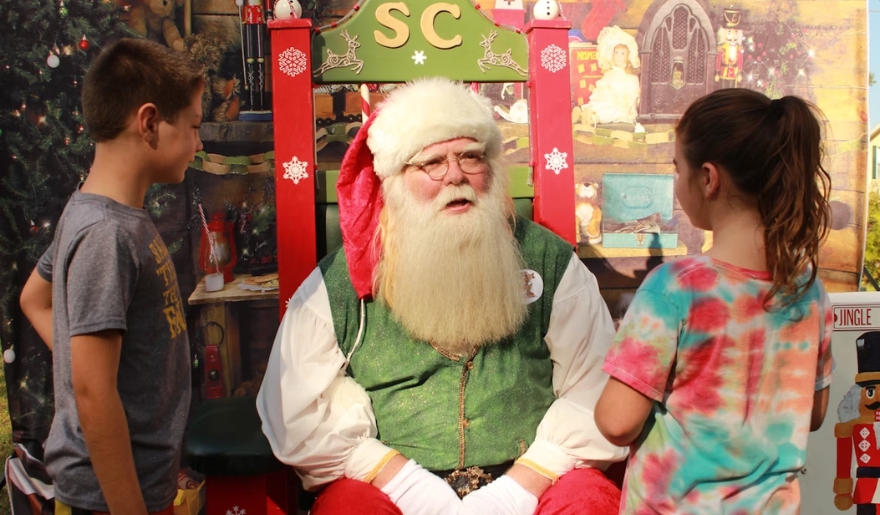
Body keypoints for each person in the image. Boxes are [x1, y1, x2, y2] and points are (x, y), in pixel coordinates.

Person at [257, 77, 627, 515]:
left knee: (589, 502)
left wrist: (520, 488)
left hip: (534, 481)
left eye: (471, 157)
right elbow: (293, 407)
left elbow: (596, 393)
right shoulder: (342, 282)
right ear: (395, 181)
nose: (455, 175)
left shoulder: (550, 263)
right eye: (431, 162)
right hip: (389, 488)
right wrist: (403, 483)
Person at [594, 88, 834, 514]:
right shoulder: (810, 291)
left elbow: (616, 422)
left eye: (677, 168)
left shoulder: (674, 288)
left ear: (708, 177)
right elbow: (812, 414)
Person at [18, 38, 203, 515]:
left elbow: (34, 300)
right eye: (193, 127)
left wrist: (90, 367)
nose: (199, 144)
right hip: (114, 499)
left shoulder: (103, 216)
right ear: (148, 123)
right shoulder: (106, 234)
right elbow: (92, 392)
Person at [583, 26, 641, 126]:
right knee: (598, 106)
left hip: (621, 106)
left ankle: (593, 119)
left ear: (629, 56)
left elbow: (633, 93)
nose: (618, 56)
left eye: (622, 53)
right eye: (616, 52)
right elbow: (602, 90)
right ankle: (582, 115)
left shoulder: (630, 76)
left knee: (611, 112)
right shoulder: (610, 72)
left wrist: (625, 103)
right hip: (608, 101)